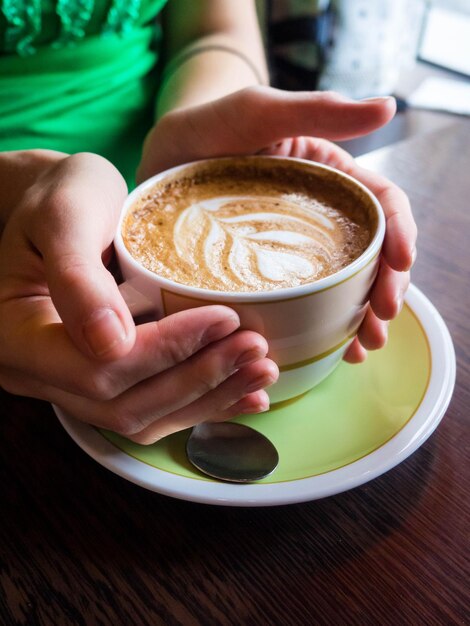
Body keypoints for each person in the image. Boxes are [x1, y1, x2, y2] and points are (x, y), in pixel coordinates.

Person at [0, 1, 416, 445]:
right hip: (31, 271)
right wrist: (17, 191)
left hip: (167, 180)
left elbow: (213, 31)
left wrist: (204, 124)